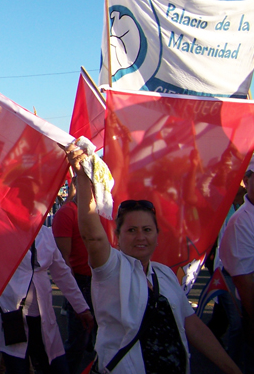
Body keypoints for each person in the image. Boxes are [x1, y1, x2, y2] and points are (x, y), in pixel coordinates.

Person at [67, 143, 242, 374]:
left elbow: (193, 325)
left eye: (147, 230)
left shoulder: (165, 274)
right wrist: (81, 175)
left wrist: (232, 369)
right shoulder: (112, 269)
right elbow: (93, 236)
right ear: (117, 237)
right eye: (131, 230)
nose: (140, 237)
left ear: (157, 236)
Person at [0, 226, 91, 374]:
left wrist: (81, 307)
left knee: (56, 366)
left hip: (42, 316)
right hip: (12, 316)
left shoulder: (45, 233)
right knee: (17, 367)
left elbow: (61, 272)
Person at [52, 179, 96, 373]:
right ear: (77, 186)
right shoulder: (67, 213)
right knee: (78, 340)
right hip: (81, 283)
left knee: (104, 337)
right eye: (89, 183)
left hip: (103, 282)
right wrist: (74, 296)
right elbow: (64, 260)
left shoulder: (102, 212)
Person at [219, 167, 254, 372]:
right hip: (229, 278)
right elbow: (245, 282)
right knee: (237, 326)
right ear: (246, 180)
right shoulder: (242, 221)